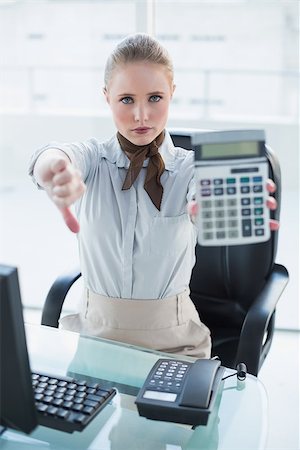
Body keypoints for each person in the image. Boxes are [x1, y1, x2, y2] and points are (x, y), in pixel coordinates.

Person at [29, 33, 279, 359]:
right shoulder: (93, 159)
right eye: (127, 99)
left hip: (174, 346)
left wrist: (212, 207)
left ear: (172, 93)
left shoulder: (191, 168)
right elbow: (54, 154)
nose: (142, 116)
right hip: (92, 339)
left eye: (155, 98)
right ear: (107, 98)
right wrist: (55, 169)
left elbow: (202, 193)